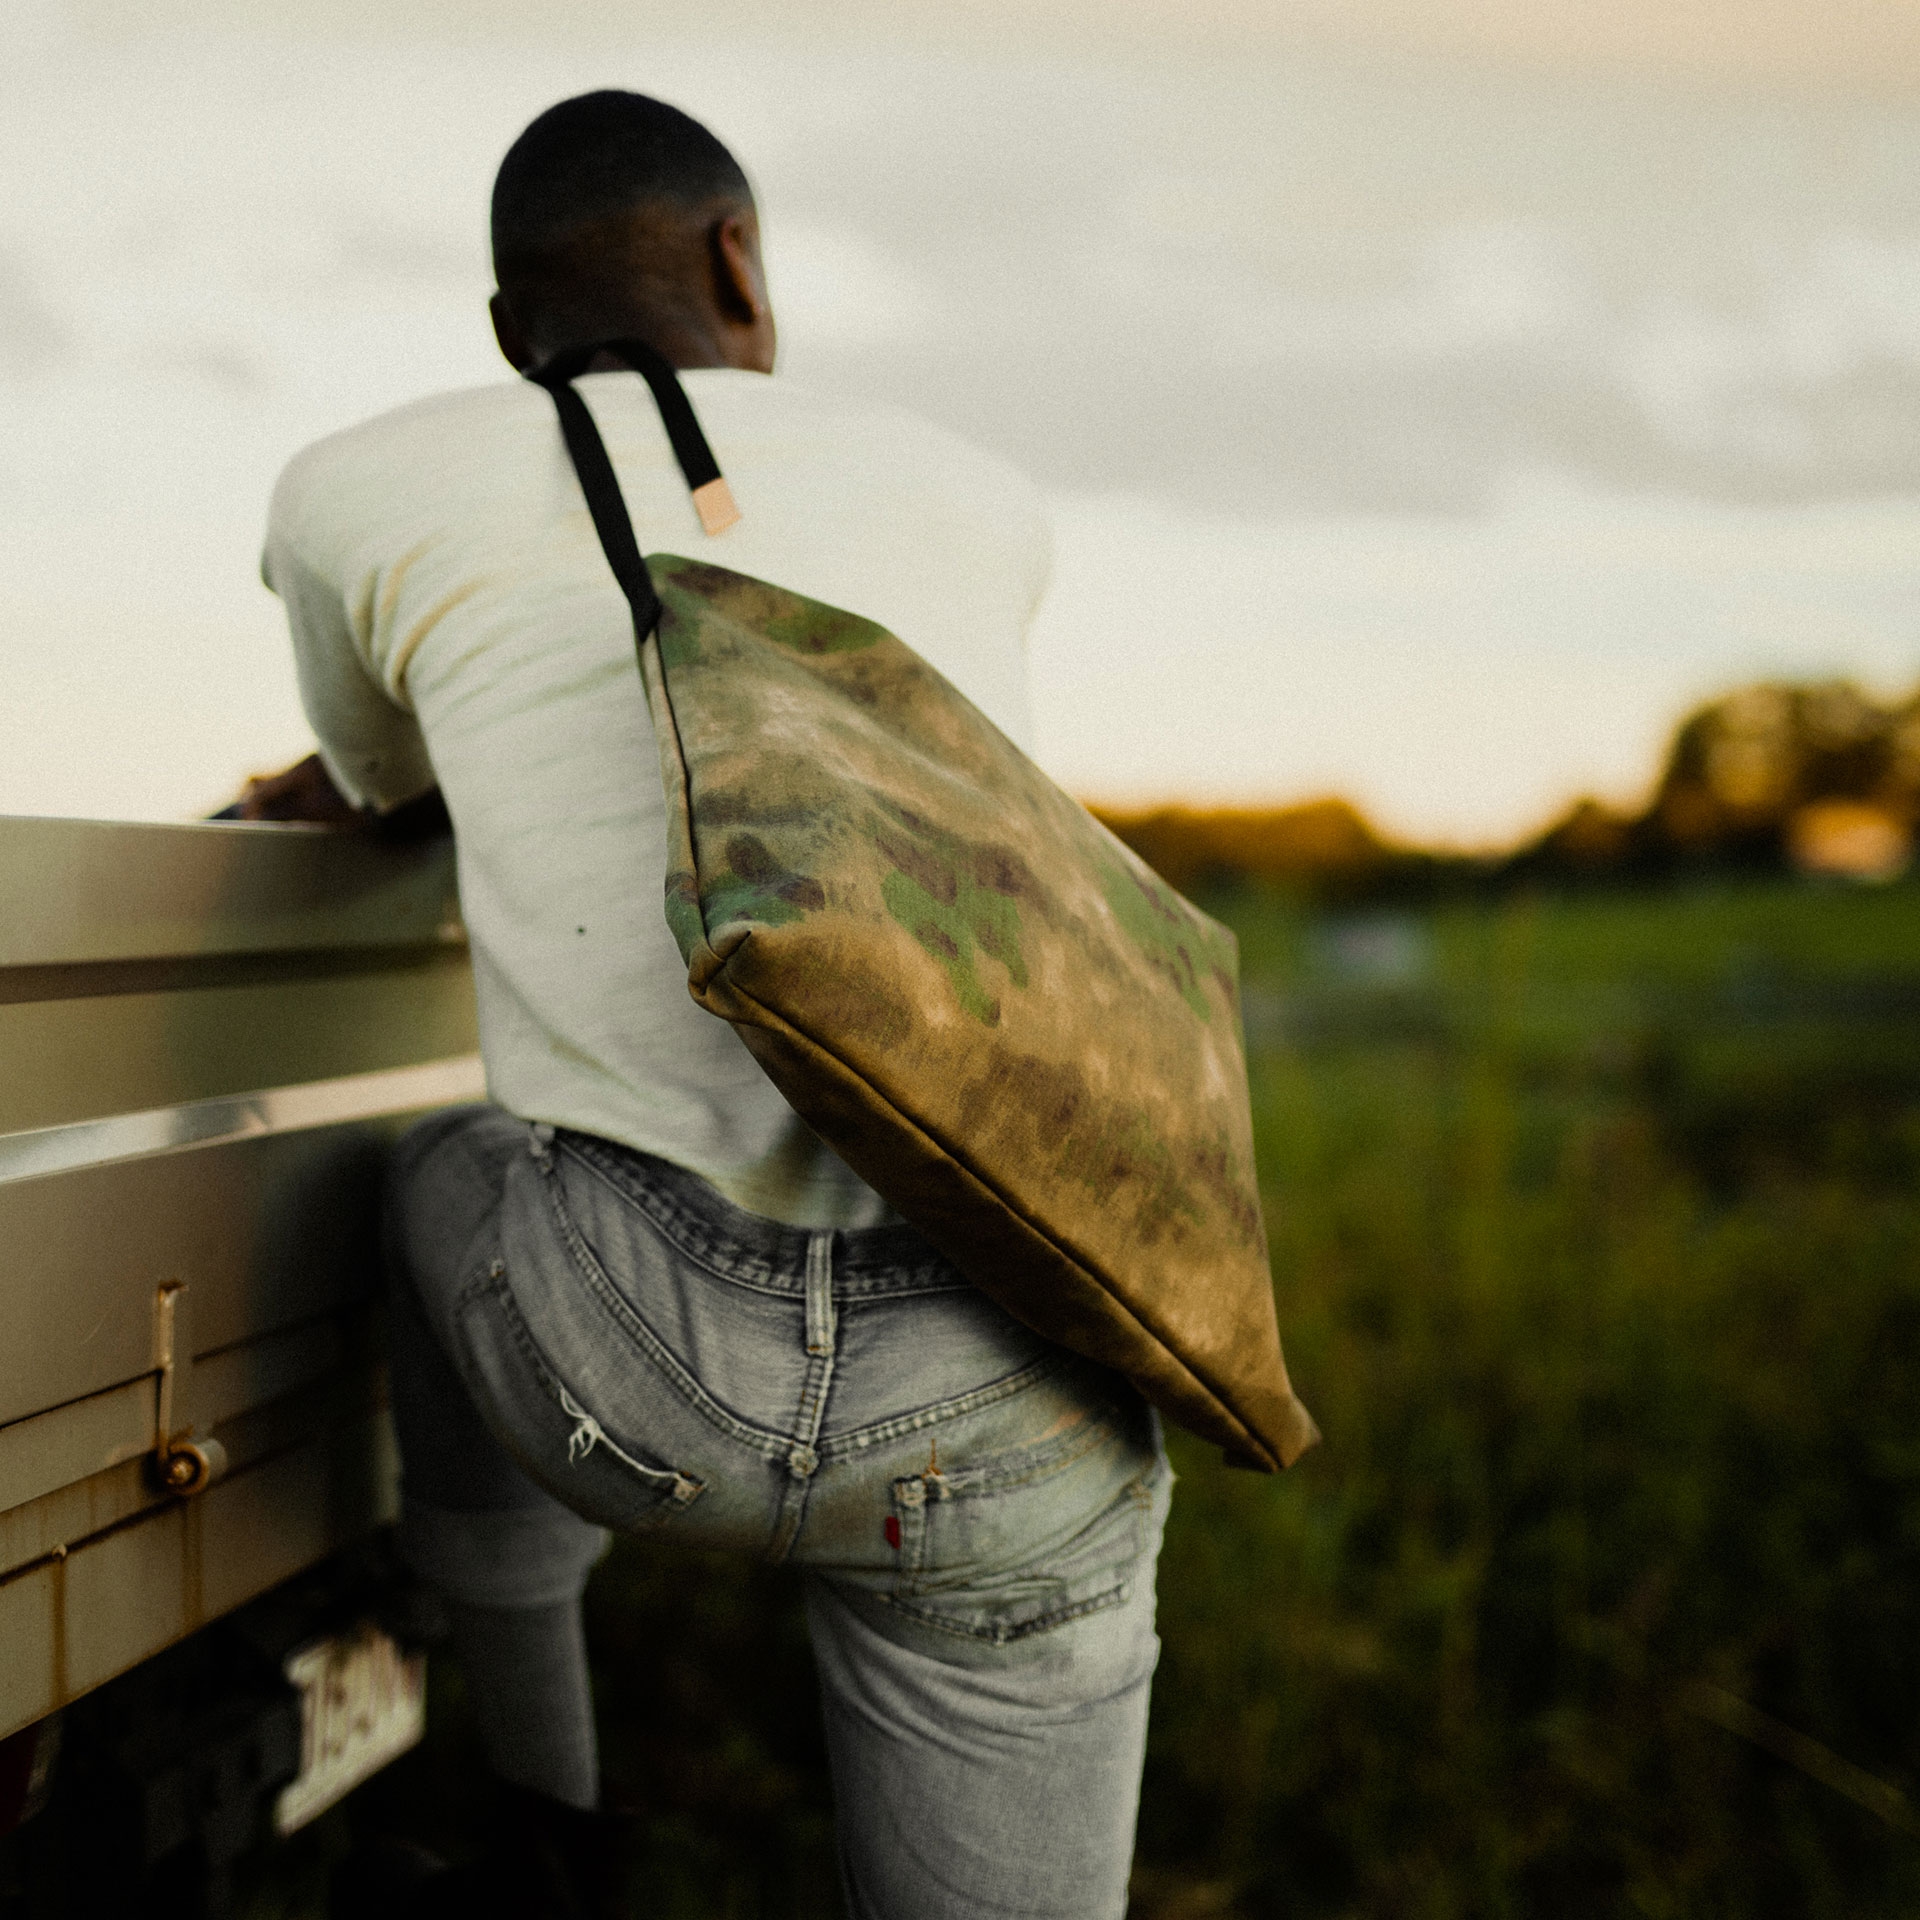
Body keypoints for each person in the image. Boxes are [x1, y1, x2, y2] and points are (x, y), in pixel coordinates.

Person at [262, 89, 1171, 1920]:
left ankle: (541, 1810)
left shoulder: (356, 489)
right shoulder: (978, 496)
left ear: (513, 333)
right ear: (738, 261)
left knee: (436, 1165)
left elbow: (373, 785)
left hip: (628, 1361)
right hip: (1006, 1366)